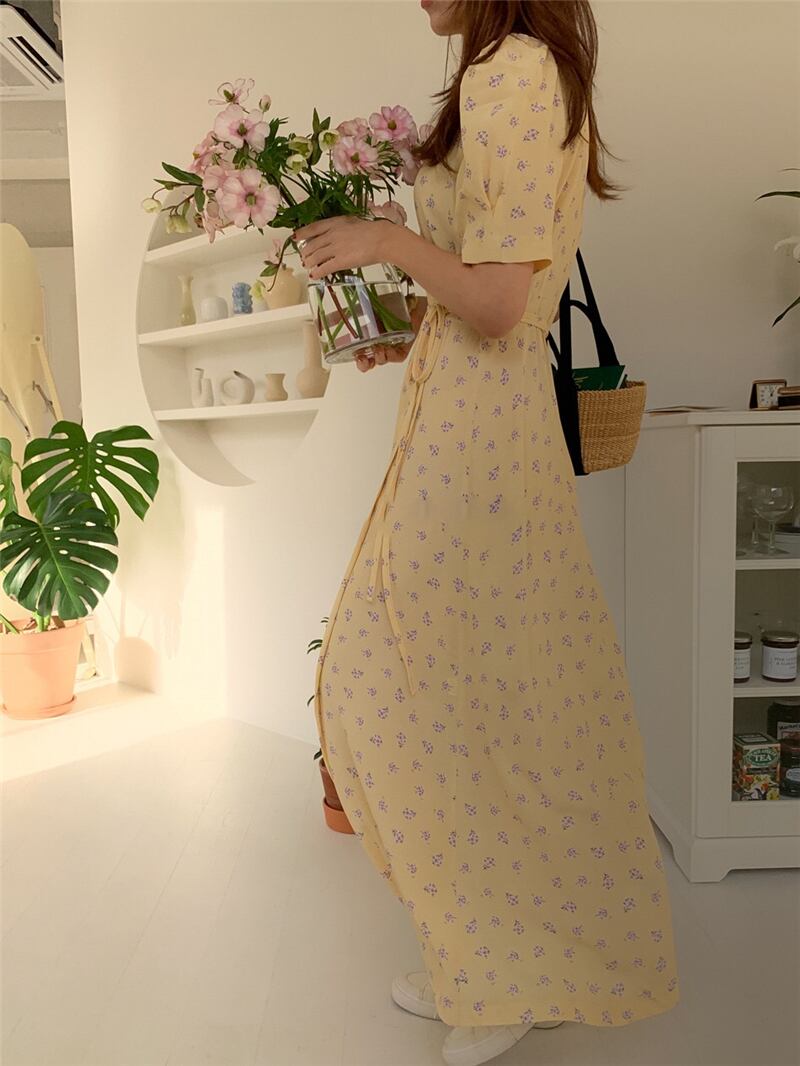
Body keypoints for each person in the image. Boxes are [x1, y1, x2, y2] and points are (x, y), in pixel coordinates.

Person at [297, 3, 681, 1064]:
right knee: (495, 693)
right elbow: (481, 292)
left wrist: (384, 239)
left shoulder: (510, 69)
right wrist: (410, 321)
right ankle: (504, 955)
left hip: (478, 429)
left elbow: (505, 302)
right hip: (471, 409)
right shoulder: (516, 67)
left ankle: (502, 966)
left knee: (396, 680)